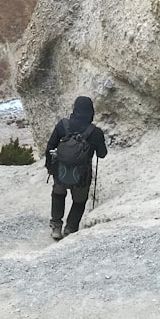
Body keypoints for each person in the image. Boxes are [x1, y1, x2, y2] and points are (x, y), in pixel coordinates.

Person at [45, 96, 107, 240]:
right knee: (79, 201)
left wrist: (50, 167)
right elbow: (102, 154)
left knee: (58, 195)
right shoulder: (95, 132)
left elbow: (50, 147)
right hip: (82, 175)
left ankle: (56, 226)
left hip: (61, 170)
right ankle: (70, 228)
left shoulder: (63, 125)